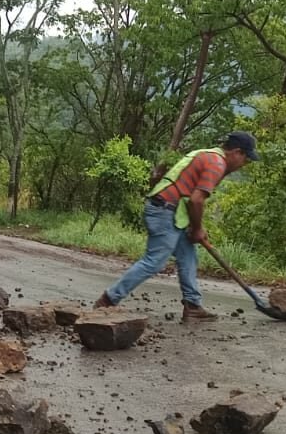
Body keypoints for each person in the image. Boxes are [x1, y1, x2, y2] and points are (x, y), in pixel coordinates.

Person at [94, 131, 260, 320]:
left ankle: (193, 305)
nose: (243, 165)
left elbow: (188, 194)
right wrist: (197, 228)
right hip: (165, 211)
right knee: (154, 261)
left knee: (188, 257)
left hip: (173, 211)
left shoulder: (207, 155)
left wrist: (194, 226)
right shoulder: (217, 163)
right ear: (237, 152)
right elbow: (196, 200)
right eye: (246, 159)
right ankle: (108, 300)